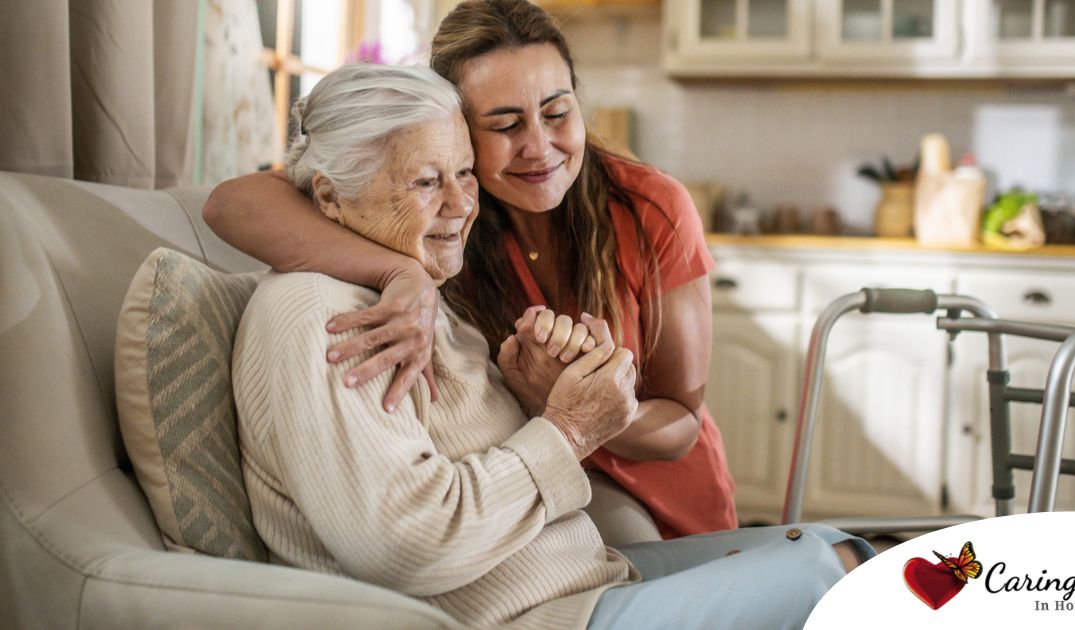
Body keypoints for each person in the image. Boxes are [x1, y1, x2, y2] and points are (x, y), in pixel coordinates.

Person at [233, 62, 871, 630]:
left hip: (582, 578)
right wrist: (567, 427)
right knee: (831, 573)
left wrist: (537, 391)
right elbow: (406, 543)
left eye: (463, 173)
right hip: (538, 615)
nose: (460, 204)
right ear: (328, 195)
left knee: (839, 546)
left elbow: (468, 444)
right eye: (426, 182)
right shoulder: (327, 319)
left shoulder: (414, 288)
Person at [205, 0, 735, 542]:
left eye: (557, 113)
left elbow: (682, 423)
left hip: (668, 501)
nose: (539, 148)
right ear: (457, 127)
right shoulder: (446, 221)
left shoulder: (649, 208)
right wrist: (402, 274)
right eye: (505, 124)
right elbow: (231, 204)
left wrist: (581, 406)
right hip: (536, 492)